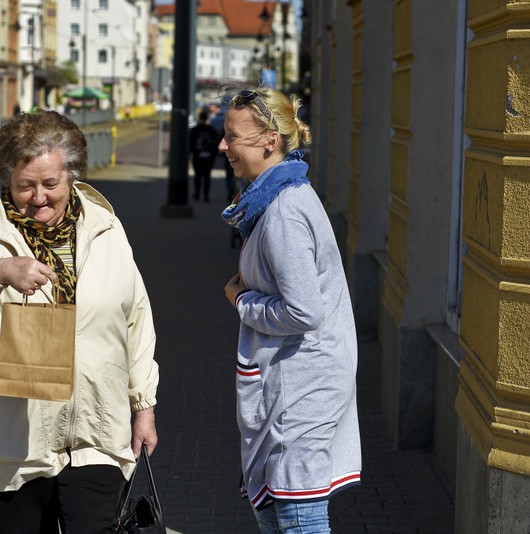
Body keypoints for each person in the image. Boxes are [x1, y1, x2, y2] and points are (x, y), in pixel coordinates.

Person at [0, 110, 159, 533]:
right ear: (8, 179)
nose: (39, 197)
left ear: (73, 176)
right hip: (15, 438)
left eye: (51, 184)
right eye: (25, 186)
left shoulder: (104, 226)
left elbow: (135, 318)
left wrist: (144, 406)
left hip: (97, 432)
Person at [219, 85, 361, 534]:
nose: (222, 146)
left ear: (269, 141)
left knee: (298, 516)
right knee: (276, 509)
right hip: (294, 384)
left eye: (232, 137)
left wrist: (243, 302)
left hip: (303, 390)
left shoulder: (283, 211)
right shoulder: (278, 197)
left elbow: (303, 312)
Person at [188, 111, 218, 202]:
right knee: (207, 176)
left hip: (197, 156)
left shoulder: (195, 130)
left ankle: (197, 194)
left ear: (199, 118)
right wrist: (213, 154)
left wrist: (191, 153)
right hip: (209, 157)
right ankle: (206, 196)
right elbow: (215, 144)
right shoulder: (211, 130)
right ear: (207, 118)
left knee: (197, 176)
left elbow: (190, 144)